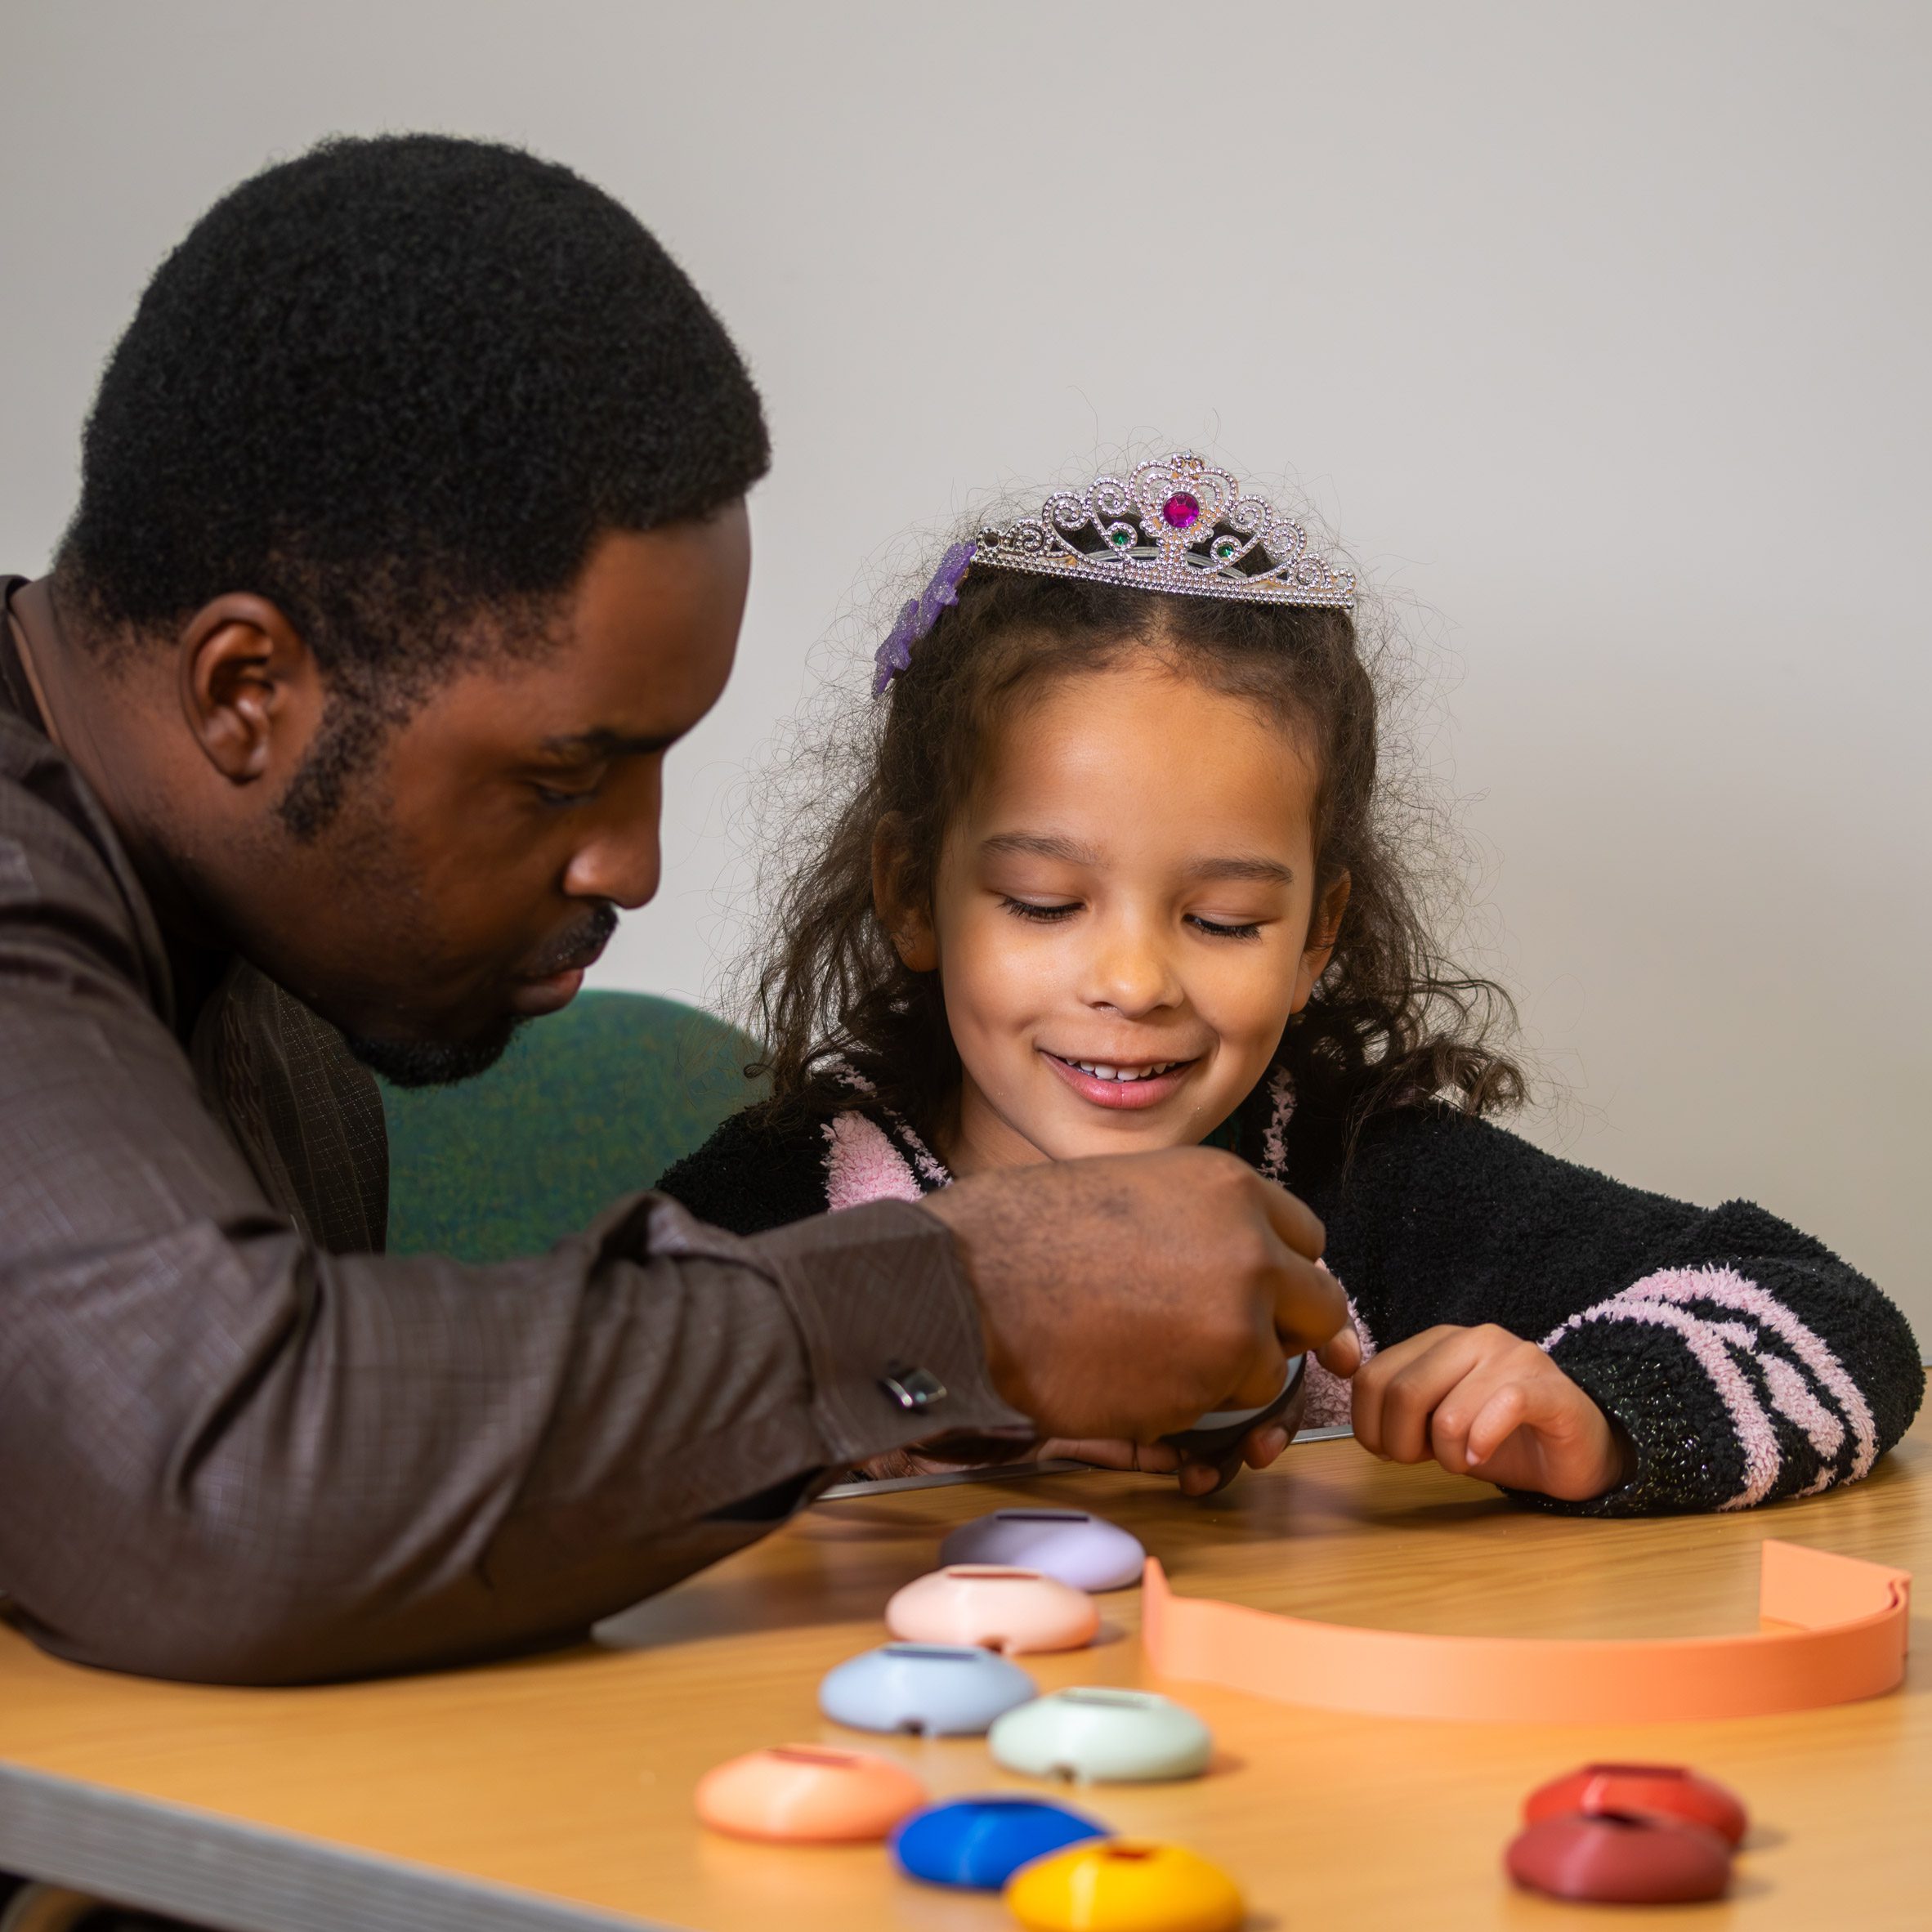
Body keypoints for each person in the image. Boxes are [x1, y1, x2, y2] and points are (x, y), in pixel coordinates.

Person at [0, 135, 1355, 1713]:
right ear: (249, 694)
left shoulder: (271, 970)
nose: (632, 868)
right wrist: (963, 1299)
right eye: (565, 774)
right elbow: (225, 1480)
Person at [658, 451, 1925, 1512]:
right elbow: (559, 1437)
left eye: (1222, 919)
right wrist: (886, 1412)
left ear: (1318, 936)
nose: (1134, 977)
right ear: (906, 894)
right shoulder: (793, 1199)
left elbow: (1830, 1318)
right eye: (1046, 903)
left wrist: (1603, 1412)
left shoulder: (1366, 1187)